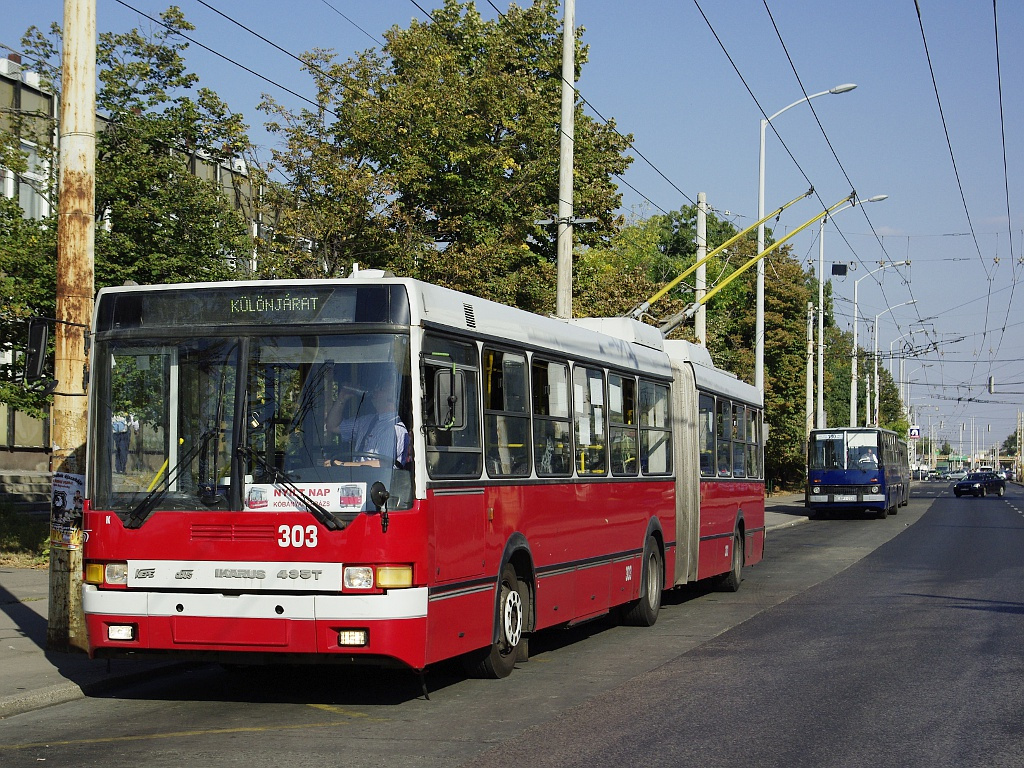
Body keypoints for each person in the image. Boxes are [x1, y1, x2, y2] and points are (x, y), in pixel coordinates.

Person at [325, 369, 410, 468]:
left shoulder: (394, 428)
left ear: (392, 397)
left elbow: (384, 464)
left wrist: (343, 465)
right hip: (360, 479)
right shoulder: (367, 421)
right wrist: (341, 399)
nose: (376, 390)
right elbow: (332, 426)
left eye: (381, 388)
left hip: (380, 482)